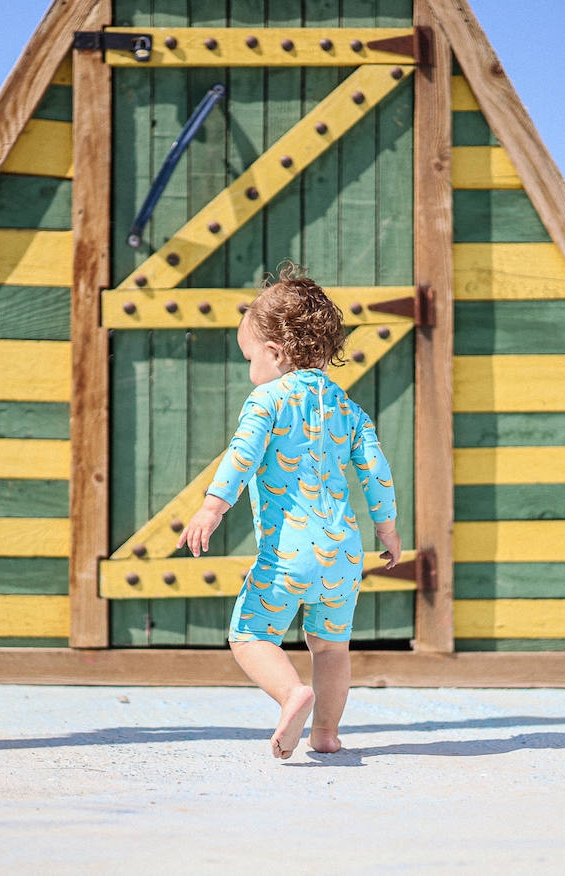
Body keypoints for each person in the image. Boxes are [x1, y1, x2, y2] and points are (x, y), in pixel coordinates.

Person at [175, 263, 402, 759]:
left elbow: (242, 454)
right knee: (331, 648)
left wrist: (212, 508)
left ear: (275, 353)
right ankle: (325, 733)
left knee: (250, 634)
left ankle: (289, 695)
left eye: (250, 357)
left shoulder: (268, 399)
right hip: (343, 554)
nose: (250, 368)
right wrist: (386, 527)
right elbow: (376, 467)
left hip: (289, 555)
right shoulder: (345, 405)